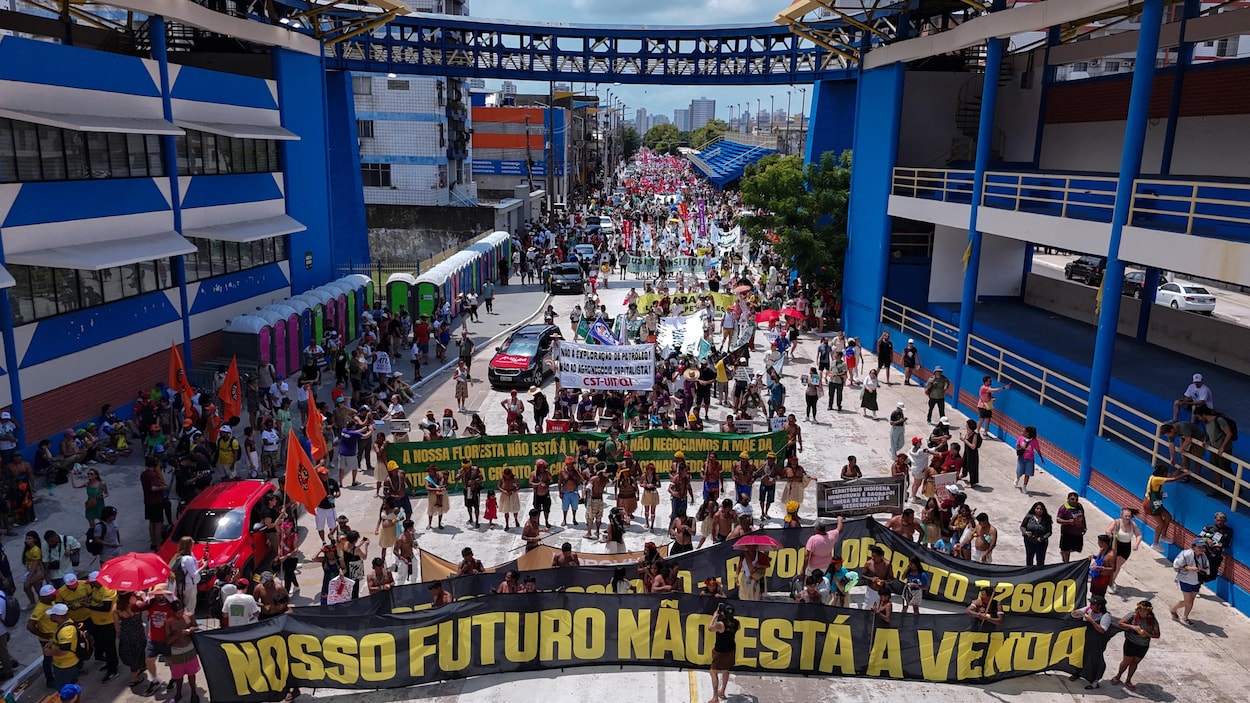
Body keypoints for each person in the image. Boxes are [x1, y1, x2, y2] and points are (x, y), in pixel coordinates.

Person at [1111, 601, 1160, 691]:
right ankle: (1118, 675)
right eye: (1140, 610)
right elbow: (1120, 623)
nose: (1141, 612)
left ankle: (1128, 680)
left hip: (1143, 645)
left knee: (1135, 663)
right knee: (1126, 662)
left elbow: (1157, 635)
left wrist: (1147, 634)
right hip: (1131, 642)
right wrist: (1132, 627)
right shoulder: (1132, 616)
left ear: (1148, 611)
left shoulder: (1152, 620)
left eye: (1144, 610)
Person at [1069, 596, 1114, 690]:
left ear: (1099, 606)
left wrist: (1091, 620)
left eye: (1093, 604)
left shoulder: (1106, 616)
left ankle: (1094, 681)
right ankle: (1077, 673)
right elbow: (1073, 614)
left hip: (1097, 641)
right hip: (1085, 638)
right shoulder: (1088, 609)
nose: (1091, 605)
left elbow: (1102, 630)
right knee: (1080, 656)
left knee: (1095, 660)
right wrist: (1079, 613)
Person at [165, 599, 200, 703]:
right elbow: (167, 641)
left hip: (189, 649)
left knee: (191, 674)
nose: (179, 614)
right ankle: (178, 693)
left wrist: (191, 630)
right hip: (176, 651)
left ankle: (194, 693)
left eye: (181, 612)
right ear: (172, 611)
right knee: (178, 676)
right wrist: (177, 634)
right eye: (177, 613)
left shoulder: (189, 616)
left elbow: (197, 627)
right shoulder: (169, 622)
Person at [1170, 537, 1210, 625]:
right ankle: (1173, 609)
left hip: (1196, 581)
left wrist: (1203, 570)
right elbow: (1177, 564)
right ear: (1193, 547)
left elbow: (1207, 567)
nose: (1201, 549)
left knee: (1191, 601)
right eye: (1199, 547)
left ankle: (1185, 617)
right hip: (1185, 580)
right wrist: (1190, 568)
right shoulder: (1186, 554)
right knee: (1187, 601)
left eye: (1203, 547)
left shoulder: (1203, 557)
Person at [1145, 464, 1186, 548]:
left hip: (1156, 502)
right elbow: (1173, 479)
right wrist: (1184, 474)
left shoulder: (1155, 477)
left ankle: (1163, 536)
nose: (1167, 475)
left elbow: (1171, 477)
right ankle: (1155, 543)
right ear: (1163, 473)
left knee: (1168, 517)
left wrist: (1178, 470)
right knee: (1161, 524)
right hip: (1150, 504)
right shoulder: (1156, 479)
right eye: (1166, 473)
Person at [705, 603, 738, 703]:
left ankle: (715, 697)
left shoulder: (720, 624)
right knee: (725, 670)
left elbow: (710, 628)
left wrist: (714, 617)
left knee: (713, 671)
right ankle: (722, 691)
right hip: (731, 650)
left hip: (720, 651)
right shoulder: (736, 622)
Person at [1105, 507, 1142, 593]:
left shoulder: (1133, 525)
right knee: (1115, 565)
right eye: (1126, 516)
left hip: (1126, 547)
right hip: (1116, 545)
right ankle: (1110, 583)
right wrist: (1111, 535)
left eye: (1129, 516)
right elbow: (1107, 530)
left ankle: (1111, 581)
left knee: (1118, 566)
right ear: (1121, 515)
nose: (1128, 518)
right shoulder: (1116, 522)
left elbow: (1139, 535)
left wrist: (1136, 544)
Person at [1198, 511, 1233, 584]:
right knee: (1203, 571)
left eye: (1222, 521)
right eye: (1218, 520)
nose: (1220, 522)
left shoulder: (1228, 531)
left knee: (1213, 575)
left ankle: (1200, 582)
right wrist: (1207, 540)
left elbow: (1228, 544)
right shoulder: (1209, 528)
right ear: (1215, 519)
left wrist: (1222, 545)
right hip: (1206, 553)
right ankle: (1196, 585)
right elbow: (1199, 537)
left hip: (1216, 555)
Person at [1055, 492, 1087, 562]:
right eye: (1072, 499)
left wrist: (1084, 526)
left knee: (1077, 548)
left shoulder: (1079, 506)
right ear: (1068, 499)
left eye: (1076, 499)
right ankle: (1066, 563)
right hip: (1067, 533)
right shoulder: (1063, 508)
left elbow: (1083, 516)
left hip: (1078, 532)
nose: (1074, 501)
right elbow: (1058, 520)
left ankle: (1063, 552)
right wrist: (1068, 522)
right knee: (1067, 549)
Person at [1020, 501, 1052, 568]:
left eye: (1041, 509)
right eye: (1037, 508)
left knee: (1040, 559)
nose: (1039, 510)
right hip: (1029, 541)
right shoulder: (1028, 517)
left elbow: (1049, 532)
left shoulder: (1047, 518)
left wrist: (1043, 538)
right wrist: (1025, 532)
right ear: (1034, 509)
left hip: (1041, 542)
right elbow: (1022, 526)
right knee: (1029, 557)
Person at [1014, 426, 1043, 495]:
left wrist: (1041, 458)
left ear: (1028, 433)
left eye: (1024, 431)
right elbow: (1017, 445)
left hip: (1030, 459)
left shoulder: (1034, 441)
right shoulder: (1021, 438)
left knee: (1028, 473)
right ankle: (1017, 478)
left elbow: (1037, 449)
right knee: (1019, 471)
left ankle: (1024, 486)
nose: (1022, 432)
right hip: (1022, 458)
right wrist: (1020, 448)